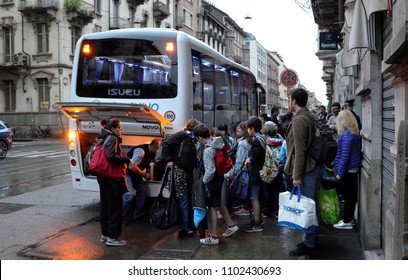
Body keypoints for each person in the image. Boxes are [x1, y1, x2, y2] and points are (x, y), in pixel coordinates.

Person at [284, 88, 324, 256]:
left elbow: (299, 151)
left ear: (294, 101)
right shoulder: (309, 116)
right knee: (311, 205)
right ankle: (311, 238)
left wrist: (297, 176)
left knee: (308, 207)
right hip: (313, 167)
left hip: (307, 169)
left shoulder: (301, 119)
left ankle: (309, 243)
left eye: (289, 100)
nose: (289, 103)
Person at [195, 124, 239, 244]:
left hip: (212, 180)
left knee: (212, 207)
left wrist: (203, 181)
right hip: (220, 177)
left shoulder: (208, 150)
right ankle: (231, 225)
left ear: (199, 138)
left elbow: (210, 170)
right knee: (219, 203)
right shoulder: (218, 144)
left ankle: (213, 237)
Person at [161, 118, 200, 238]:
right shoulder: (184, 136)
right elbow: (166, 143)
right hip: (179, 171)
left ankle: (186, 225)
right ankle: (184, 227)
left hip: (185, 172)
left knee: (185, 199)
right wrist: (169, 160)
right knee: (184, 199)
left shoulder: (189, 138)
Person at [96, 118, 132, 246]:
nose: (121, 130)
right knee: (115, 207)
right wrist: (126, 159)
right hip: (112, 178)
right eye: (120, 127)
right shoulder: (113, 138)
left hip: (103, 176)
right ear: (113, 129)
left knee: (105, 206)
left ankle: (105, 235)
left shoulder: (102, 138)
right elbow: (110, 156)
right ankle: (113, 237)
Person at [333, 110, 362, 230]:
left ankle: (347, 221)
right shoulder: (352, 133)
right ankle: (347, 219)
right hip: (351, 168)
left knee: (348, 196)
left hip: (348, 169)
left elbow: (345, 155)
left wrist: (340, 172)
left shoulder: (347, 136)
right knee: (350, 195)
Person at [123, 139, 160, 224]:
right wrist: (144, 175)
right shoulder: (141, 151)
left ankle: (138, 215)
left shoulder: (151, 152)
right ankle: (120, 216)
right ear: (155, 148)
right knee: (129, 194)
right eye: (158, 150)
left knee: (142, 190)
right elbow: (132, 166)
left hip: (134, 174)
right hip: (127, 172)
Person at [225, 121, 252, 216]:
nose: (236, 132)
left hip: (243, 170)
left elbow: (239, 161)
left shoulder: (242, 144)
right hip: (250, 169)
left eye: (238, 130)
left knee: (240, 189)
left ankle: (245, 207)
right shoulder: (251, 141)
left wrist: (235, 173)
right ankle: (247, 207)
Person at [244, 116, 265, 233]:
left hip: (256, 173)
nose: (248, 131)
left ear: (252, 129)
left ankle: (257, 223)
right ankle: (257, 219)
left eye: (248, 129)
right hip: (261, 172)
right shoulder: (263, 138)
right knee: (257, 196)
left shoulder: (257, 140)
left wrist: (249, 160)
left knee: (254, 197)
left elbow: (256, 157)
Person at [260, 121, 284, 219]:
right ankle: (276, 211)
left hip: (268, 169)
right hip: (278, 168)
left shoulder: (265, 141)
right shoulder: (280, 140)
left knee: (266, 191)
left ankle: (266, 211)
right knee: (277, 191)